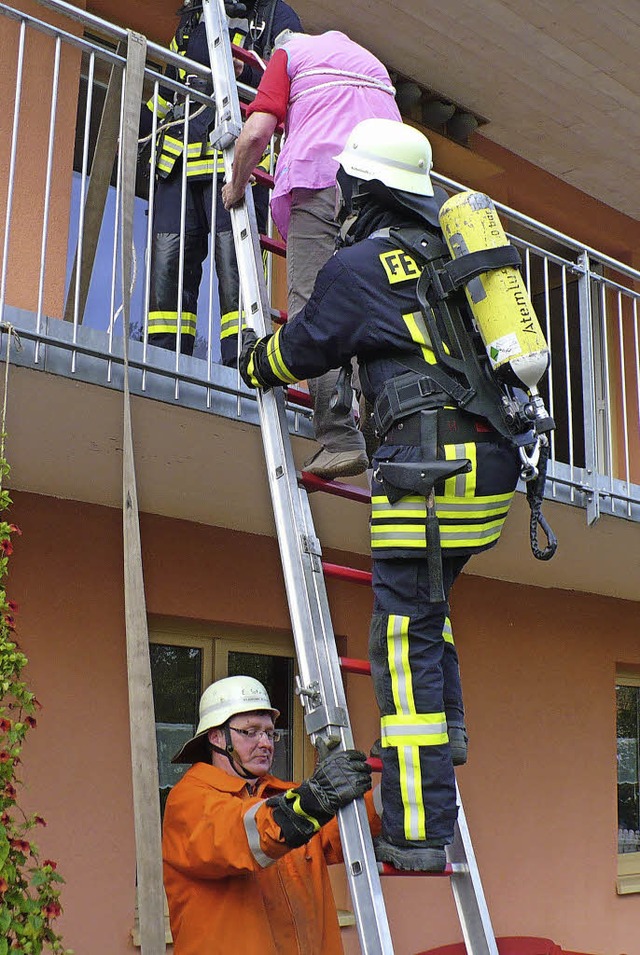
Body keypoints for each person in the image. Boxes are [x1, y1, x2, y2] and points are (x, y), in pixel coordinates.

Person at [237, 119, 523, 871]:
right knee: (429, 607)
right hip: (489, 472)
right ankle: (451, 729)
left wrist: (254, 360)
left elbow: (305, 347)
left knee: (401, 644)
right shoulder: (449, 253)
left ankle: (420, 829)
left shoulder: (361, 265)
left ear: (360, 188)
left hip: (427, 475)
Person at [222, 29, 401, 479]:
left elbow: (256, 132)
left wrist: (237, 184)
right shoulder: (371, 63)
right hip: (386, 202)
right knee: (375, 315)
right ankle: (383, 432)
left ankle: (339, 439)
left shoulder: (287, 55)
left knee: (317, 308)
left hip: (322, 183)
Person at [163, 674, 379, 954]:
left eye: (270, 732)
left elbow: (338, 833)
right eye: (250, 731)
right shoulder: (189, 800)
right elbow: (242, 833)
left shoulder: (284, 797)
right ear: (216, 737)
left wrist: (391, 795)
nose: (265, 742)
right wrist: (314, 798)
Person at [141, 0, 302, 364]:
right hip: (176, 163)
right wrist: (141, 138)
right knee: (167, 272)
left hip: (234, 166)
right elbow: (166, 93)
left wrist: (246, 74)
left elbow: (295, 82)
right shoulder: (194, 17)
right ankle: (164, 364)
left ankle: (241, 366)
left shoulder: (274, 17)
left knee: (236, 272)